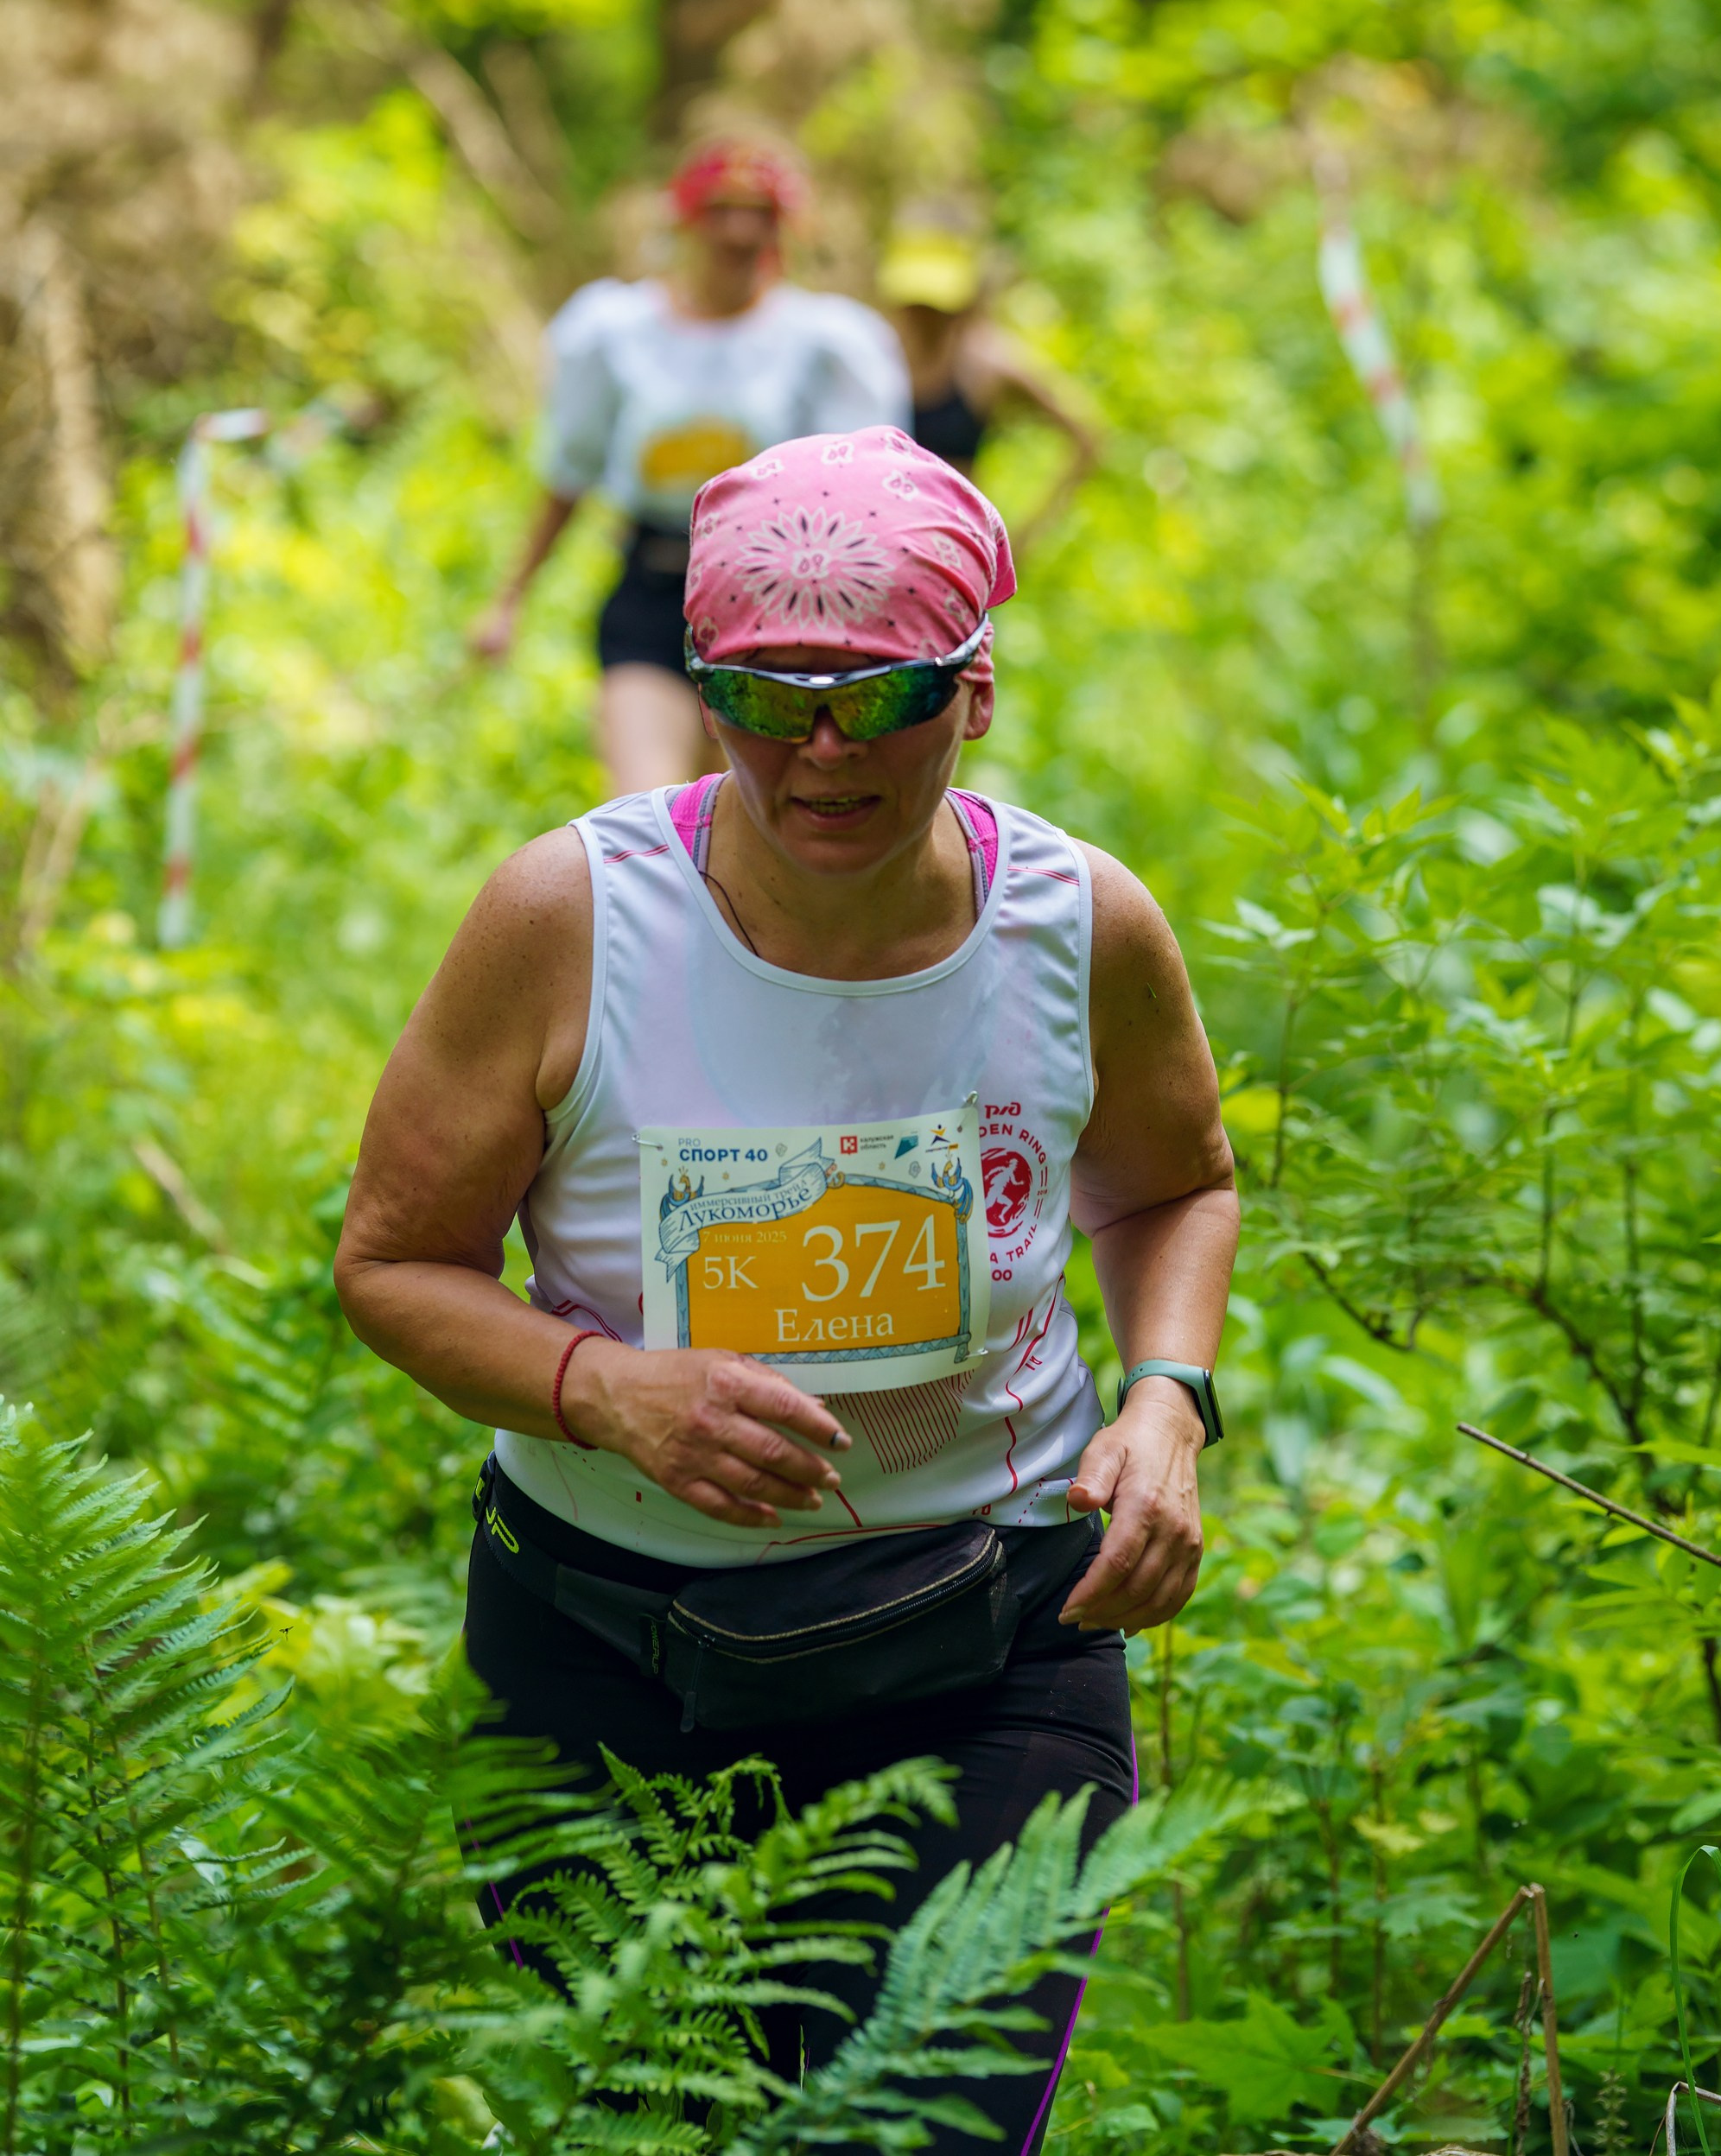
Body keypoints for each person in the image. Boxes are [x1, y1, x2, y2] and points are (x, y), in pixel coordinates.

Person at [335, 425, 1237, 2153]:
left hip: (993, 1635)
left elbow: (1173, 1180)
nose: (819, 750)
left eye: (878, 697)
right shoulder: (567, 916)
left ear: (973, 693)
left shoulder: (1080, 923)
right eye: (763, 697)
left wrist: (1162, 1397)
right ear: (700, 688)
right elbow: (393, 1268)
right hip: (608, 1656)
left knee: (932, 2129)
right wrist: (604, 1388)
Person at [472, 140, 911, 794]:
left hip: (776, 602)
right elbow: (572, 471)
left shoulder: (822, 343)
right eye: (721, 210)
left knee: (746, 817)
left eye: (758, 211)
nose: (739, 230)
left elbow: (867, 488)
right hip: (654, 587)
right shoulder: (617, 332)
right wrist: (509, 600)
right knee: (646, 810)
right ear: (686, 220)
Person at [879, 219, 1101, 549]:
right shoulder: (878, 355)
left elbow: (1087, 438)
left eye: (934, 307)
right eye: (915, 305)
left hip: (952, 551)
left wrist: (1025, 537)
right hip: (879, 547)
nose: (922, 317)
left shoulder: (987, 363)